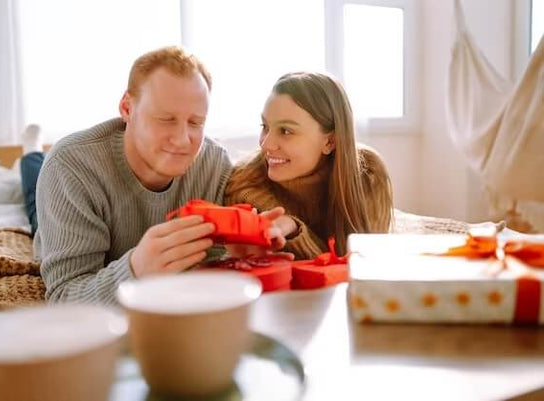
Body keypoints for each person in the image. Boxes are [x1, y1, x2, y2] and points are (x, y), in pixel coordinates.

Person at [33, 46, 287, 305]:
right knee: (32, 192)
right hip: (63, 211)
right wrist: (135, 270)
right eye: (166, 119)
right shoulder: (70, 167)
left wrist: (234, 257)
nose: (182, 140)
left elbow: (209, 266)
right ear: (127, 108)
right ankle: (31, 152)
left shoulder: (214, 164)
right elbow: (64, 297)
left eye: (195, 123)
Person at [224, 72, 393, 259]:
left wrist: (294, 228)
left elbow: (365, 263)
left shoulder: (368, 173)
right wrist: (293, 230)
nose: (266, 144)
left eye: (286, 131)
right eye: (265, 126)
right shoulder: (245, 185)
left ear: (330, 142)